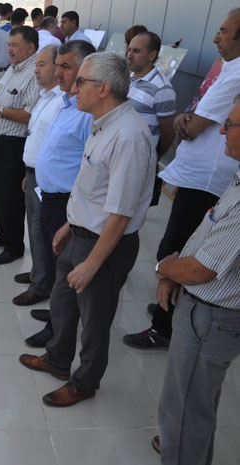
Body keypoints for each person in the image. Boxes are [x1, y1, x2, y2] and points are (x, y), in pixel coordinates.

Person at [19, 52, 157, 407]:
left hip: (103, 247)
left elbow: (120, 213)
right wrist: (69, 224)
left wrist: (92, 264)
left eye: (81, 81)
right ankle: (57, 359)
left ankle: (85, 381)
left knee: (95, 322)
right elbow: (92, 190)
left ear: (104, 88)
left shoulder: (127, 136)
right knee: (63, 306)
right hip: (79, 234)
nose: (74, 87)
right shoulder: (102, 123)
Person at [123, 9, 240, 350]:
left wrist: (181, 122)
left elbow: (189, 127)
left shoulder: (234, 76)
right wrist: (183, 121)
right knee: (181, 245)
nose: (216, 37)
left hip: (204, 180)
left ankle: (163, 328)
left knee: (175, 249)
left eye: (223, 31)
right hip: (199, 176)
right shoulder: (228, 69)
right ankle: (169, 311)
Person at [154, 94, 240, 465]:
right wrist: (176, 268)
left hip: (210, 316)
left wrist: (165, 269)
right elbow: (208, 234)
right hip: (203, 310)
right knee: (194, 403)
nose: (222, 130)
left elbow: (202, 270)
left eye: (231, 125)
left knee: (184, 406)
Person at [24, 40, 96, 348]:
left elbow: (87, 166)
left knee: (65, 267)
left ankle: (58, 328)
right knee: (55, 262)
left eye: (66, 66)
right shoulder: (68, 104)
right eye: (59, 65)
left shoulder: (86, 113)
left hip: (68, 200)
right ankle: (55, 312)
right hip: (49, 194)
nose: (58, 71)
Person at [0, 26, 40, 267]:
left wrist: (1, 111)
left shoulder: (33, 74)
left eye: (14, 46)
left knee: (12, 198)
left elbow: (30, 114)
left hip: (13, 145)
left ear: (30, 48)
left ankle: (15, 245)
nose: (9, 50)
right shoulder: (13, 69)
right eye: (9, 45)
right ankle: (4, 235)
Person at [14, 44, 64, 309]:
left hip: (47, 179)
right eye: (36, 64)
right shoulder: (45, 96)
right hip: (33, 174)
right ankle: (38, 273)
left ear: (58, 68)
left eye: (42, 64)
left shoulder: (62, 102)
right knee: (33, 229)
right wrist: (29, 171)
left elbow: (56, 146)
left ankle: (42, 285)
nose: (36, 68)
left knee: (42, 232)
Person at [126, 31, 176, 156]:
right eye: (129, 49)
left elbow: (168, 132)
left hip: (139, 161)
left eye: (136, 51)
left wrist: (154, 158)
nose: (129, 55)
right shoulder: (127, 77)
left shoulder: (162, 89)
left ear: (152, 55)